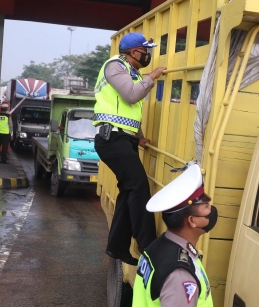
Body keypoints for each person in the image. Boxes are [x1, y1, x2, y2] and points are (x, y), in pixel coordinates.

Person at [93, 32, 167, 265]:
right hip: (112, 139)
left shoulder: (131, 72)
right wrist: (152, 77)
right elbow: (131, 96)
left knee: (128, 191)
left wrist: (140, 137)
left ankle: (117, 247)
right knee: (139, 186)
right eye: (146, 51)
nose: (148, 55)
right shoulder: (115, 66)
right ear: (134, 51)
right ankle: (148, 245)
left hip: (124, 139)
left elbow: (126, 112)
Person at [133, 163, 215, 306]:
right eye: (206, 207)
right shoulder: (180, 276)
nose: (212, 210)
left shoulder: (159, 246)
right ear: (192, 221)